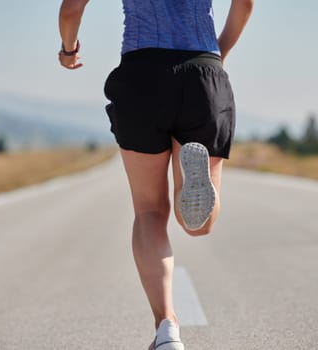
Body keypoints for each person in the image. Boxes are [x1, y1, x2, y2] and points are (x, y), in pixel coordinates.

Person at [59, 1, 253, 348]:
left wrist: (68, 49)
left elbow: (72, 8)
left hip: (141, 76)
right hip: (203, 74)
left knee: (149, 211)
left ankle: (167, 329)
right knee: (198, 224)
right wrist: (217, 51)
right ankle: (193, 199)